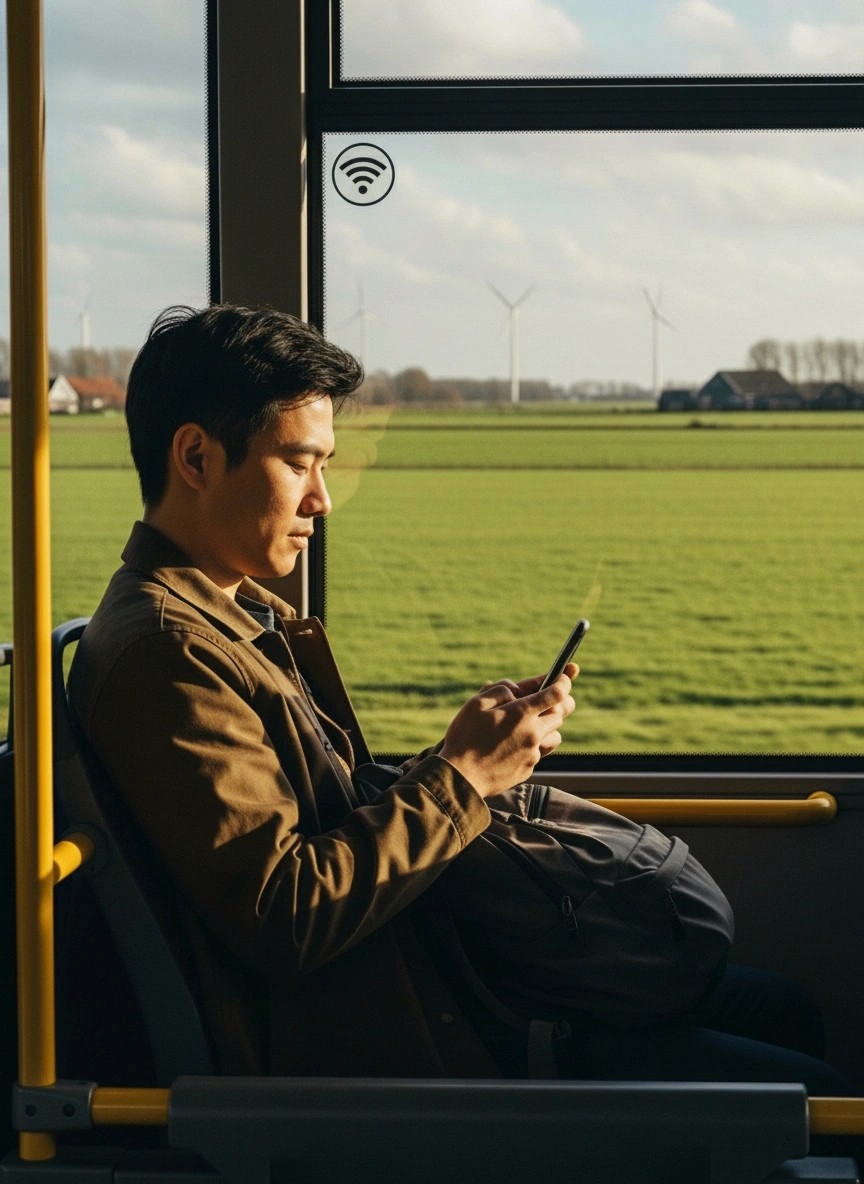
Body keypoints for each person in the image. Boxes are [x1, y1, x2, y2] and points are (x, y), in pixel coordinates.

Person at [68, 303, 850, 1093]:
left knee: (784, 1010)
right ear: (197, 458)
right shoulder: (168, 654)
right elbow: (284, 911)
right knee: (807, 1085)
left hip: (436, 973)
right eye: (300, 463)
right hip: (407, 1028)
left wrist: (464, 754)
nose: (322, 501)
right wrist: (465, 779)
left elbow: (325, 820)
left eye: (328, 466)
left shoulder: (228, 615)